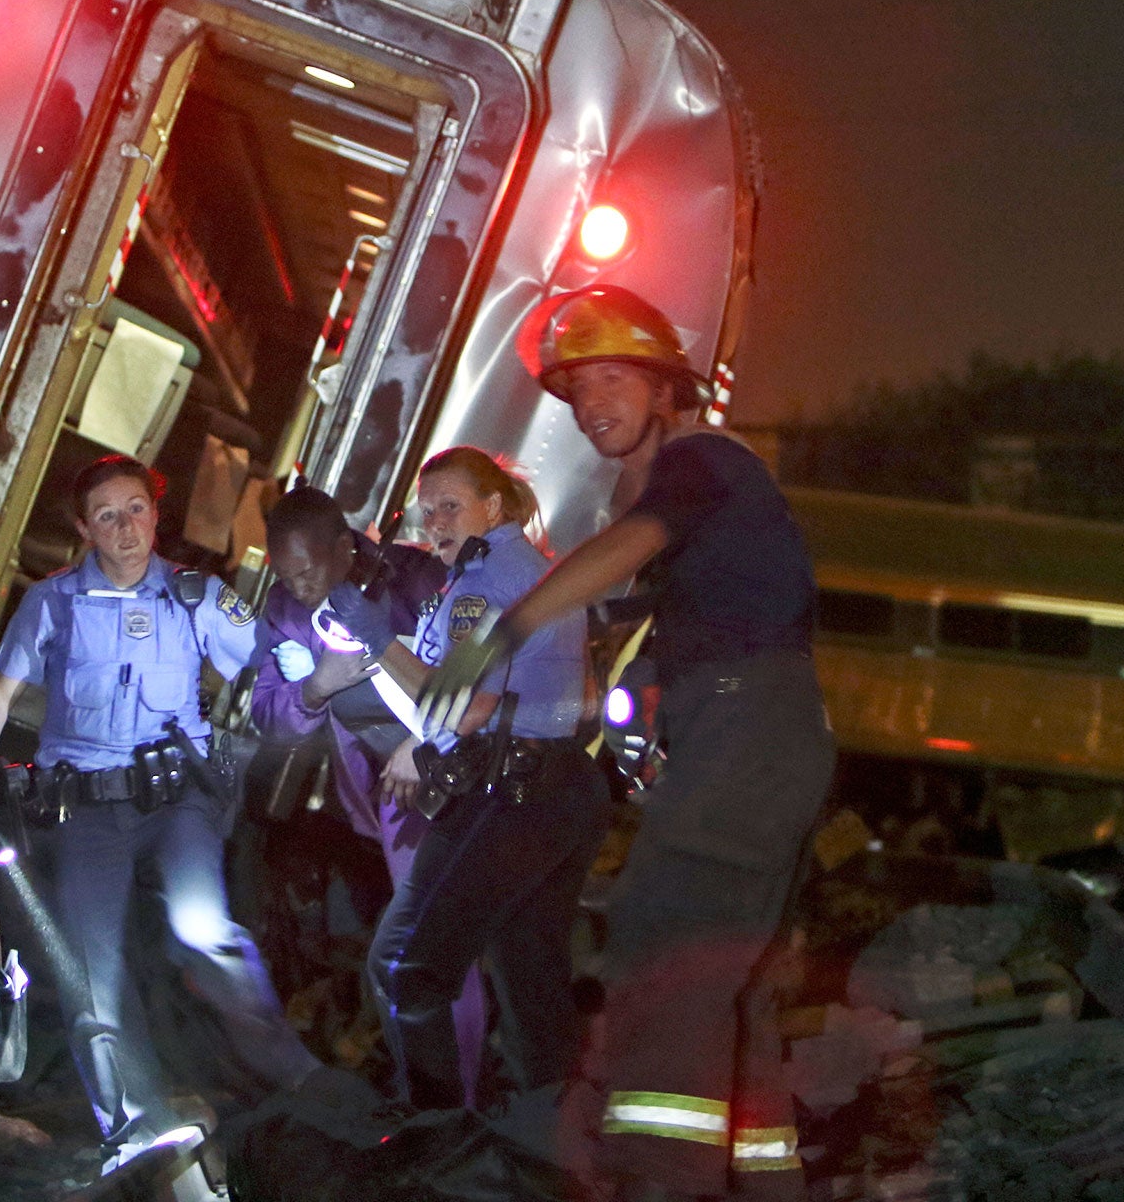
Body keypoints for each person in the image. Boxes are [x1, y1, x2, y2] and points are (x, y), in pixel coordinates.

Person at [426, 285, 834, 1201]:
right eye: (576, 392)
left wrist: (509, 627)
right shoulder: (682, 490)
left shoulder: (699, 464)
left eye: (613, 378)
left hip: (746, 729)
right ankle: (762, 1180)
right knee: (735, 969)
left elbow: (637, 542)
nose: (592, 403)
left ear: (665, 389)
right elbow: (642, 616)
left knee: (666, 944)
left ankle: (660, 1179)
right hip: (750, 733)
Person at [0, 454, 319, 1167]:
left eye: (136, 509)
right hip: (89, 808)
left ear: (157, 512)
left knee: (202, 928)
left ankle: (299, 1076)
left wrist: (305, 663)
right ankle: (137, 1127)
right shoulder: (54, 602)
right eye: (108, 516)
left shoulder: (196, 595)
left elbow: (272, 658)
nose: (125, 527)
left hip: (175, 798)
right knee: (92, 972)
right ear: (86, 529)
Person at [327, 447, 608, 1112]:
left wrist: (372, 636)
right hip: (556, 790)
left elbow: (459, 703)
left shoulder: (487, 580)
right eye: (428, 514)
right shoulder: (515, 571)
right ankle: (552, 1149)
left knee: (405, 967)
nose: (437, 524)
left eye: (451, 506)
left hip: (510, 795)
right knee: (530, 982)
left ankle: (437, 1132)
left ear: (494, 507)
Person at [247, 484, 488, 1104]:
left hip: (463, 773)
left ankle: (459, 1098)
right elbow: (269, 711)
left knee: (434, 944)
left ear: (345, 544)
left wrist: (426, 737)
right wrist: (314, 690)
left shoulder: (415, 580)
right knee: (416, 945)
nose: (298, 586)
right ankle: (433, 1099)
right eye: (286, 573)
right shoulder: (284, 611)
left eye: (307, 570)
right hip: (386, 792)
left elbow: (486, 666)